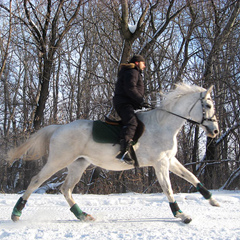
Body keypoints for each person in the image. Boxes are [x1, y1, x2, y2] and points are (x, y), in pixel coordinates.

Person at [113, 55, 148, 165]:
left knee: (140, 125)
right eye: (143, 63)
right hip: (124, 103)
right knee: (131, 122)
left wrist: (140, 103)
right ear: (137, 63)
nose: (145, 66)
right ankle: (123, 152)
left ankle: (132, 147)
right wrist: (140, 100)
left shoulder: (133, 72)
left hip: (128, 103)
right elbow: (130, 88)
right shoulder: (132, 72)